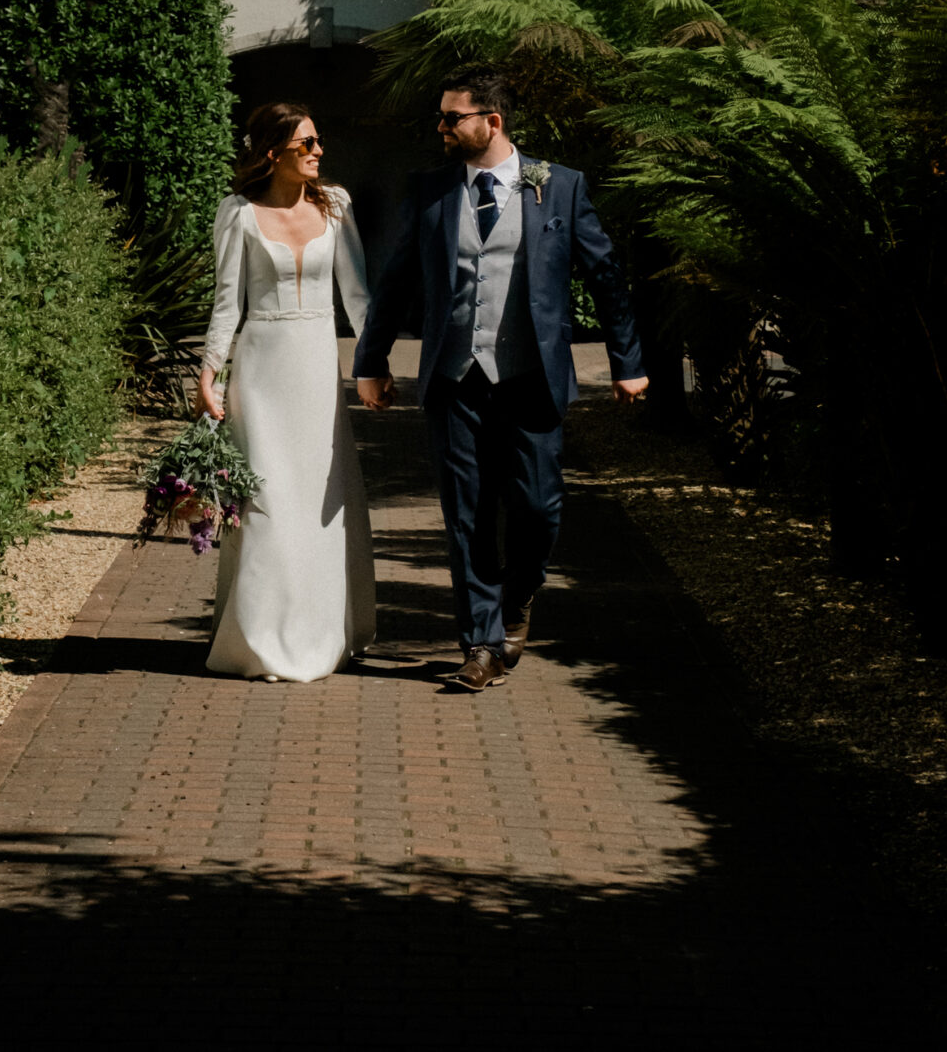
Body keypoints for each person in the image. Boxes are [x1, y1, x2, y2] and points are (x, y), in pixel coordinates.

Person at [354, 69, 648, 692]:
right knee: (467, 515)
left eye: (451, 117)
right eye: (440, 117)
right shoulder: (430, 190)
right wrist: (371, 362)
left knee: (539, 509)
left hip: (530, 377)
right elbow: (396, 281)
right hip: (454, 378)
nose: (440, 128)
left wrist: (628, 362)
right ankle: (482, 645)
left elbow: (606, 277)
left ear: (492, 121)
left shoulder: (559, 186)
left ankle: (519, 597)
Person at [196, 103, 380, 682]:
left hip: (318, 374)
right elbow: (227, 304)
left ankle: (322, 636)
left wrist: (373, 364)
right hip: (261, 377)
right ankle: (261, 641)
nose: (319, 151)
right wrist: (208, 373)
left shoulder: (336, 205)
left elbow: (358, 296)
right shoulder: (238, 213)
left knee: (319, 505)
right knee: (267, 503)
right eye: (307, 144)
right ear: (273, 153)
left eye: (318, 141)